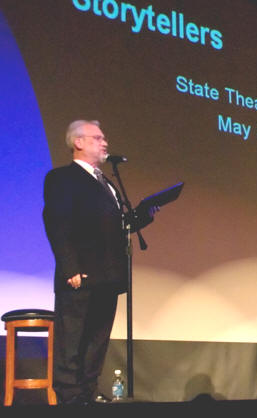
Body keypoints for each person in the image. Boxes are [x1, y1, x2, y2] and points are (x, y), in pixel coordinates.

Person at [43, 120, 154, 405]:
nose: (105, 143)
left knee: (96, 343)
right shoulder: (61, 178)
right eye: (98, 137)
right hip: (79, 275)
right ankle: (70, 399)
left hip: (108, 277)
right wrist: (69, 267)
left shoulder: (107, 183)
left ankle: (88, 396)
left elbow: (116, 226)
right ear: (78, 142)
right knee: (72, 343)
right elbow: (56, 222)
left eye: (104, 138)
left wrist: (144, 214)